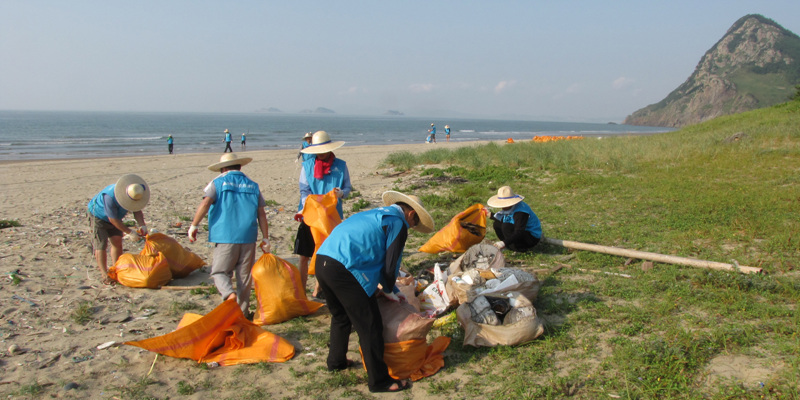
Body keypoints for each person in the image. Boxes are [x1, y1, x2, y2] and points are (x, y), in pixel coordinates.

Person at [314, 191, 434, 393]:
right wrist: (390, 291)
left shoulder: (376, 214)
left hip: (323, 261)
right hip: (344, 268)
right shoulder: (397, 223)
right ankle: (379, 381)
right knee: (370, 324)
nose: (411, 228)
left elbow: (374, 257)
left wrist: (392, 288)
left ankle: (336, 361)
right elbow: (391, 264)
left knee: (341, 316)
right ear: (411, 214)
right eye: (414, 224)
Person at [188, 153, 270, 316]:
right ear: (239, 167)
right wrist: (265, 238)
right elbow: (261, 213)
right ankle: (243, 312)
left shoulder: (218, 182)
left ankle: (228, 295)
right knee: (244, 278)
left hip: (226, 235)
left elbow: (205, 203)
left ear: (223, 169)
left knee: (219, 271)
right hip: (248, 235)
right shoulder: (253, 185)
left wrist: (194, 225)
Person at [294, 130, 352, 298]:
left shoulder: (340, 166)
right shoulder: (307, 166)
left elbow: (347, 189)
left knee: (325, 253)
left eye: (324, 150)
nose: (321, 154)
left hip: (331, 217)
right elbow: (304, 190)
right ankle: (301, 289)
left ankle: (318, 289)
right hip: (310, 216)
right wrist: (308, 205)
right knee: (305, 254)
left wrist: (341, 193)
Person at [87, 174, 150, 285]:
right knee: (101, 245)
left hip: (116, 217)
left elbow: (137, 211)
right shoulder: (109, 197)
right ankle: (104, 274)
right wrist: (130, 232)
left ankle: (117, 268)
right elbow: (113, 220)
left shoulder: (136, 191)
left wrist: (142, 225)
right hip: (98, 216)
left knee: (117, 242)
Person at [486, 186, 542, 252]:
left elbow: (519, 231)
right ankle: (509, 245)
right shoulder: (511, 208)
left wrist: (503, 242)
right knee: (496, 224)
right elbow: (505, 219)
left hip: (531, 237)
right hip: (520, 232)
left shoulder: (521, 213)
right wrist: (491, 215)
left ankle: (518, 248)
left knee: (506, 226)